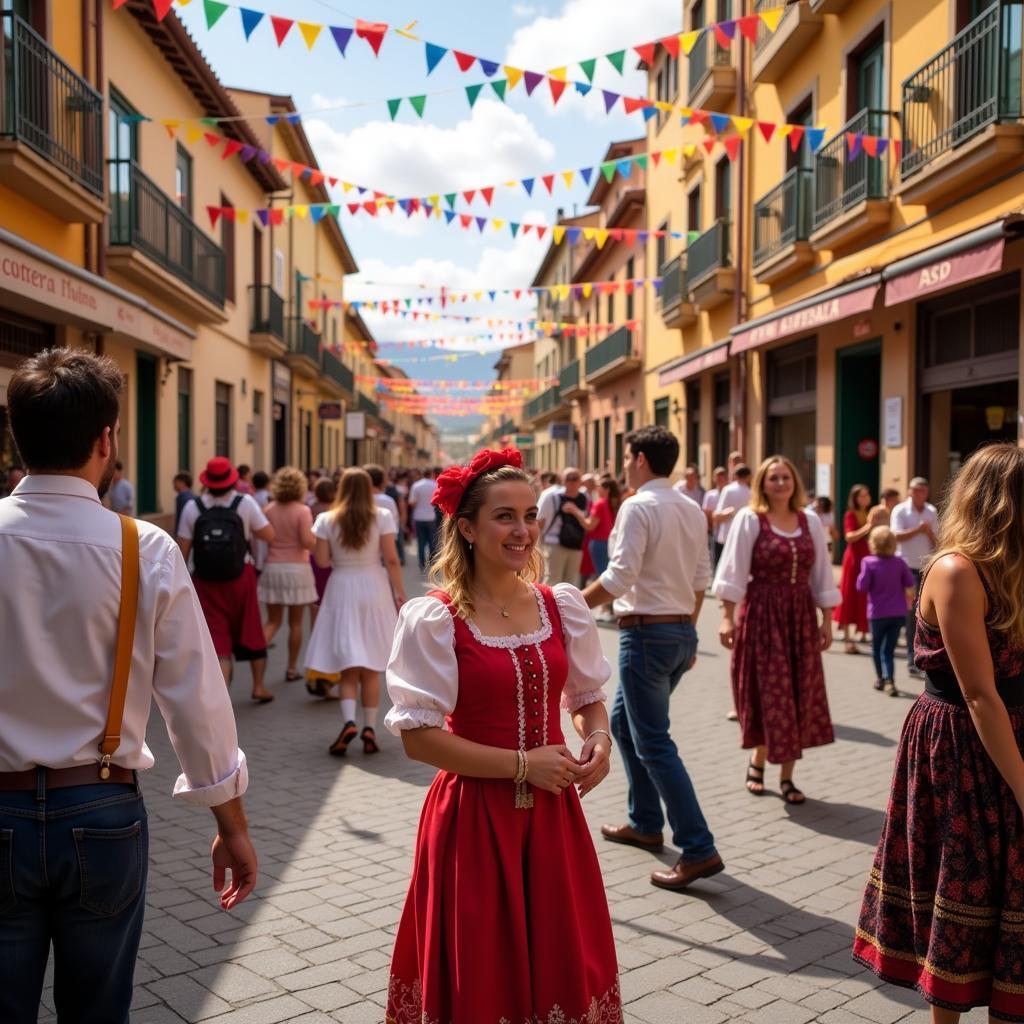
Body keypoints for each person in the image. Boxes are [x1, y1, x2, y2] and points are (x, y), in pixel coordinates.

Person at [0, 348, 256, 1023]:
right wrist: (230, 822)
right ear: (106, 440)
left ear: (16, 435)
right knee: (98, 1010)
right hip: (103, 809)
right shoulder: (145, 548)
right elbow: (197, 700)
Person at [384, 448, 621, 1023]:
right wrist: (523, 765)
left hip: (551, 816)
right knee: (481, 967)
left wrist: (599, 741)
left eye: (531, 514)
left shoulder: (559, 605)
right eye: (505, 516)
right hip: (472, 817)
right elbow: (419, 738)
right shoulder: (436, 618)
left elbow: (587, 698)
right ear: (465, 527)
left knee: (560, 958)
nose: (524, 531)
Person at [853, 444, 1024, 1023]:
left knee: (1010, 894)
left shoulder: (1015, 568)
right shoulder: (956, 570)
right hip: (962, 743)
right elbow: (979, 694)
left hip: (1007, 729)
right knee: (960, 883)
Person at [582, 426, 723, 891]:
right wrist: (687, 626)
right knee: (624, 726)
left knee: (653, 742)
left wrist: (568, 606)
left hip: (646, 633)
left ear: (640, 459)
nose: (623, 465)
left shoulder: (638, 505)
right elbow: (702, 577)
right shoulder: (689, 506)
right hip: (678, 629)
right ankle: (644, 822)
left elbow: (620, 577)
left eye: (626, 457)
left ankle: (698, 847)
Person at [713, 455, 838, 804]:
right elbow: (733, 572)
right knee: (768, 690)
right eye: (773, 478)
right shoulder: (750, 519)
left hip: (799, 615)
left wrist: (826, 619)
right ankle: (758, 759)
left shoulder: (809, 520)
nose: (780, 483)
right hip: (762, 615)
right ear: (763, 484)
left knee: (798, 691)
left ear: (794, 481)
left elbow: (822, 574)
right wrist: (726, 616)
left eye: (785, 477)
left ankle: (787, 775)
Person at [305, 468, 405, 755]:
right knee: (372, 664)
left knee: (349, 663)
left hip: (342, 587)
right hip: (374, 587)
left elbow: (322, 561)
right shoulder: (382, 516)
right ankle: (370, 727)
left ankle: (349, 721)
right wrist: (400, 592)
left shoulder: (326, 519)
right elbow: (393, 559)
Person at [177, 457, 276, 703]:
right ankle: (259, 686)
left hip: (206, 581)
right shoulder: (246, 503)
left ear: (207, 482)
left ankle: (221, 698)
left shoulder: (193, 507)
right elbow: (268, 534)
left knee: (217, 638)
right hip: (241, 577)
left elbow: (182, 549)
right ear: (232, 480)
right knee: (252, 629)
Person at [259, 467, 317, 683]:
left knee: (272, 621)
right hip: (296, 569)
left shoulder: (269, 509)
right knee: (295, 624)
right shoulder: (302, 511)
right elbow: (306, 542)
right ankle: (291, 668)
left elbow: (264, 539)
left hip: (273, 567)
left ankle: (257, 660)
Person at [856, 526, 915, 697]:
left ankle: (881, 679)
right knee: (888, 649)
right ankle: (890, 679)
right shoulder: (899, 562)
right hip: (897, 612)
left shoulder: (868, 562)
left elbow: (861, 586)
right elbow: (910, 582)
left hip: (877, 613)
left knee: (876, 648)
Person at [891, 477, 939, 678]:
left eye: (923, 491)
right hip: (905, 568)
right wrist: (918, 530)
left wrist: (928, 533)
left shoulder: (932, 511)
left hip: (925, 567)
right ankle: (912, 658)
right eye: (916, 490)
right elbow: (895, 536)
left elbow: (939, 540)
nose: (920, 494)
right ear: (910, 492)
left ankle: (922, 655)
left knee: (923, 613)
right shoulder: (900, 510)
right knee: (910, 613)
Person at [834, 484, 874, 654]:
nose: (864, 498)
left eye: (866, 495)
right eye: (861, 496)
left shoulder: (871, 512)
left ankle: (863, 631)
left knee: (865, 594)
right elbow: (849, 537)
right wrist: (868, 527)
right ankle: (848, 634)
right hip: (854, 559)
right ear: (855, 498)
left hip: (868, 557)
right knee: (849, 593)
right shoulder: (850, 514)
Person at [537, 467, 589, 586]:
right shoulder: (551, 496)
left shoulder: (584, 497)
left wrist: (575, 511)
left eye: (575, 478)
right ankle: (548, 605)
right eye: (568, 478)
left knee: (571, 584)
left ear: (580, 480)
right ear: (562, 480)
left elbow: (587, 523)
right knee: (552, 581)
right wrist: (537, 546)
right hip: (554, 544)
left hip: (576, 545)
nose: (571, 482)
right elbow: (540, 521)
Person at [581, 473, 621, 622]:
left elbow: (590, 525)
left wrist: (576, 513)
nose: (597, 489)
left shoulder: (600, 504)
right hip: (610, 542)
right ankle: (608, 609)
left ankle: (607, 610)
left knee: (602, 576)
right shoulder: (615, 503)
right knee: (607, 573)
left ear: (607, 489)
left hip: (598, 543)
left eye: (599, 486)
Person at [712, 464, 752, 566]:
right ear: (748, 477)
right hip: (744, 537)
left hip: (726, 536)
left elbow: (717, 515)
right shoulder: (751, 493)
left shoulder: (728, 490)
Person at [409, 465, 439, 572]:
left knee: (421, 541)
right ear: (431, 474)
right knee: (432, 541)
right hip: (431, 516)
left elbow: (412, 502)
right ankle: (432, 562)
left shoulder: (416, 485)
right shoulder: (435, 485)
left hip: (419, 517)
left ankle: (422, 564)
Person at [250, 470, 271, 573]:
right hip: (264, 527)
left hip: (254, 531)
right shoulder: (268, 497)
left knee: (256, 550)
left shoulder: (251, 497)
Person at [172, 470, 194, 536]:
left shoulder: (182, 497)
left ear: (182, 483)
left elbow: (181, 518)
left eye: (175, 482)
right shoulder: (192, 495)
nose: (174, 486)